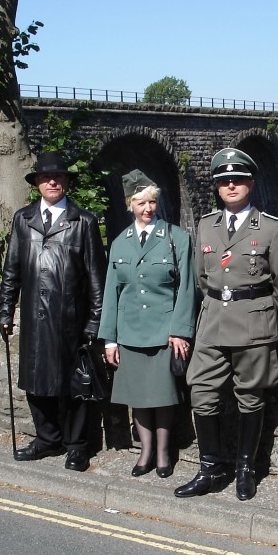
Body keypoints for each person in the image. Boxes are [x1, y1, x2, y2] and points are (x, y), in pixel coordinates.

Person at [175, 147, 278, 501]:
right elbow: (202, 278)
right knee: (201, 390)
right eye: (224, 181)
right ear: (217, 187)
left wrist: (267, 314)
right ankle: (209, 468)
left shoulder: (271, 227)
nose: (231, 185)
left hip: (253, 322)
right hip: (212, 322)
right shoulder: (206, 225)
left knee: (250, 395)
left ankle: (246, 468)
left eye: (238, 180)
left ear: (251, 184)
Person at [0, 150, 107, 472]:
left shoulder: (83, 221)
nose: (53, 182)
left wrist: (95, 321)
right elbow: (11, 270)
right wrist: (6, 310)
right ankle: (47, 439)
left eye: (58, 177)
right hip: (34, 317)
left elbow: (96, 278)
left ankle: (76, 446)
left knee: (74, 386)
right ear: (37, 184)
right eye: (47, 177)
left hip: (70, 319)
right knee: (35, 382)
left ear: (67, 183)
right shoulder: (23, 219)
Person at [97, 170, 196, 478]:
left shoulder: (176, 238)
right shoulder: (119, 244)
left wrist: (180, 330)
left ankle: (165, 453)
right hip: (130, 332)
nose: (147, 208)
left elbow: (187, 289)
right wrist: (109, 339)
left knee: (163, 395)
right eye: (140, 202)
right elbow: (112, 294)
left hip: (164, 332)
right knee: (138, 397)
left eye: (152, 202)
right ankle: (145, 451)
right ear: (130, 205)